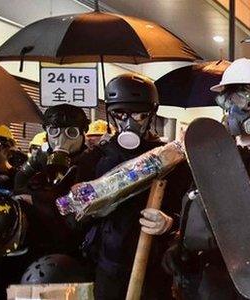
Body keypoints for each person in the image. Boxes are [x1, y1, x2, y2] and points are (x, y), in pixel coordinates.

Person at [166, 58, 250, 299]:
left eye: (242, 98)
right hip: (213, 276)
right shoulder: (216, 153)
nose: (232, 109)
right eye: (227, 99)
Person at [73, 73, 191, 299]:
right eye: (120, 114)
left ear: (151, 114)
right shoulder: (94, 159)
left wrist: (169, 222)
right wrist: (91, 207)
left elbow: (187, 211)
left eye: (139, 114)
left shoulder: (170, 158)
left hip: (154, 267)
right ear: (110, 114)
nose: (129, 122)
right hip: (107, 265)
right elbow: (73, 220)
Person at [14, 104, 90, 258]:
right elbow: (19, 184)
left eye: (71, 132)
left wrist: (34, 199)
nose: (61, 140)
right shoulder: (40, 157)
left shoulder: (91, 161)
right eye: (54, 132)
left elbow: (79, 208)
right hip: (37, 241)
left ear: (83, 134)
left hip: (72, 246)